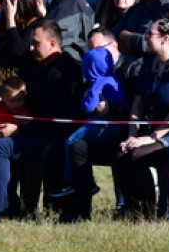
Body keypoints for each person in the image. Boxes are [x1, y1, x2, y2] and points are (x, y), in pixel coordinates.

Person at [0, 21, 82, 220]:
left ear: (53, 43)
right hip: (36, 132)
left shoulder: (64, 72)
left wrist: (20, 129)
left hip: (55, 138)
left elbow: (55, 119)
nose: (31, 48)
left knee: (0, 147)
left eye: (36, 43)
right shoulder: (40, 67)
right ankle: (8, 206)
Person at [114, 10, 169, 218]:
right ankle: (134, 209)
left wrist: (150, 138)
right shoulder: (149, 64)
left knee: (137, 155)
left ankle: (150, 211)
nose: (145, 38)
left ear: (165, 39)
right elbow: (138, 103)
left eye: (150, 34)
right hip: (151, 131)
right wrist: (132, 135)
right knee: (122, 153)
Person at [50, 45, 126, 199]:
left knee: (71, 141)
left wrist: (87, 97)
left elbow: (89, 106)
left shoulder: (98, 83)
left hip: (103, 125)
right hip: (116, 126)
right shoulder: (114, 79)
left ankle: (69, 181)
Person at [0, 0, 47, 79]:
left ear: (14, 2)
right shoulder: (6, 23)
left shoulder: (36, 24)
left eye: (1, 0)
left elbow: (18, 50)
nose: (0, 6)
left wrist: (10, 18)